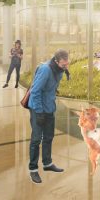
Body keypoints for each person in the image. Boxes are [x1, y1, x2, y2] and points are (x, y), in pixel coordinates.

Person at [28, 49, 70, 184]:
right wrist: (39, 112)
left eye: (67, 64)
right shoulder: (45, 70)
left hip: (49, 107)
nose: (66, 67)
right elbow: (35, 92)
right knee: (36, 139)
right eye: (63, 65)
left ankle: (47, 163)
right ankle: (33, 169)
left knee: (48, 137)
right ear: (56, 61)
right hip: (38, 108)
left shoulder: (60, 70)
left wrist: (54, 90)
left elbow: (51, 85)